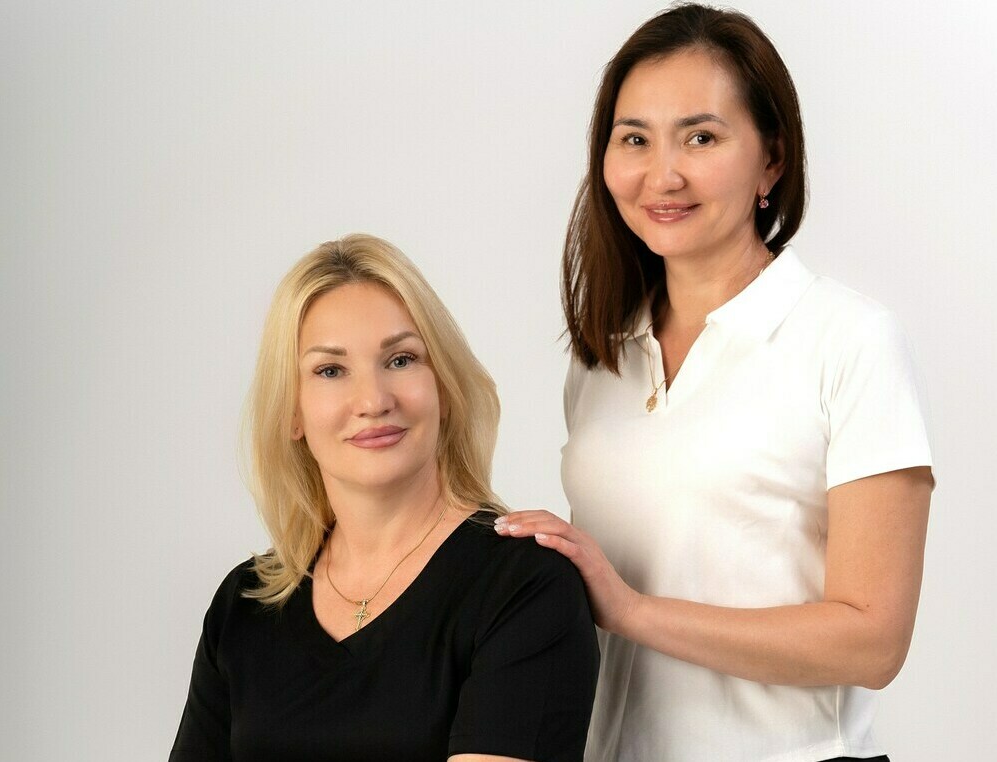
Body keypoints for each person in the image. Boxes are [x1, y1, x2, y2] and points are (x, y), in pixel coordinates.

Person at [496, 5, 933, 761]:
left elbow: (873, 641)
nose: (663, 175)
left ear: (772, 161)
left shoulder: (850, 339)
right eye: (635, 139)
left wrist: (632, 610)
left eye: (701, 137)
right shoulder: (602, 355)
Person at [170, 234, 599, 761]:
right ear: (293, 412)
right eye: (330, 370)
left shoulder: (526, 585)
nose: (373, 400)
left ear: (444, 386)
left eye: (400, 360)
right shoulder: (244, 605)